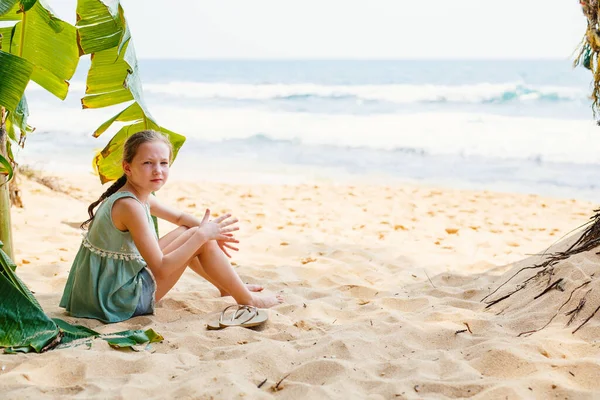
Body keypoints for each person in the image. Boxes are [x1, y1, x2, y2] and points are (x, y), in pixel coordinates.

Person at [60, 130, 283, 323]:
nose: (158, 170)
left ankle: (228, 286)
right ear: (127, 168)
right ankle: (247, 299)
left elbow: (179, 218)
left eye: (163, 163)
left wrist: (216, 233)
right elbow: (161, 269)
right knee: (197, 237)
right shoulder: (130, 206)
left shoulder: (137, 195)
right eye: (147, 163)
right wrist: (204, 235)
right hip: (116, 301)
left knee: (191, 231)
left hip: (104, 290)